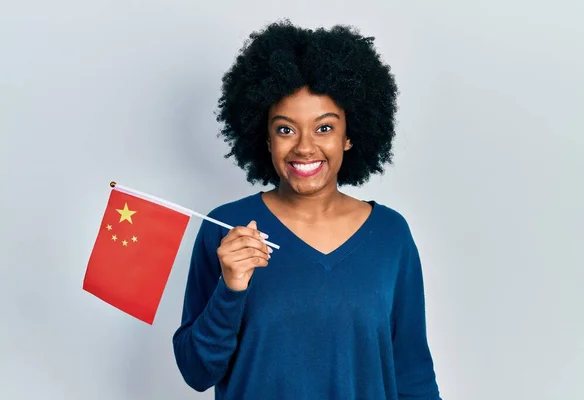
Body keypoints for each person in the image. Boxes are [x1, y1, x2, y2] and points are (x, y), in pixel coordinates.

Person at [172, 20, 442, 400]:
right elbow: (196, 372)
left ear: (350, 135)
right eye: (285, 129)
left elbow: (412, 374)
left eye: (324, 128)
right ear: (264, 137)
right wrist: (230, 289)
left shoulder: (391, 235)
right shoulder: (226, 229)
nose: (304, 147)